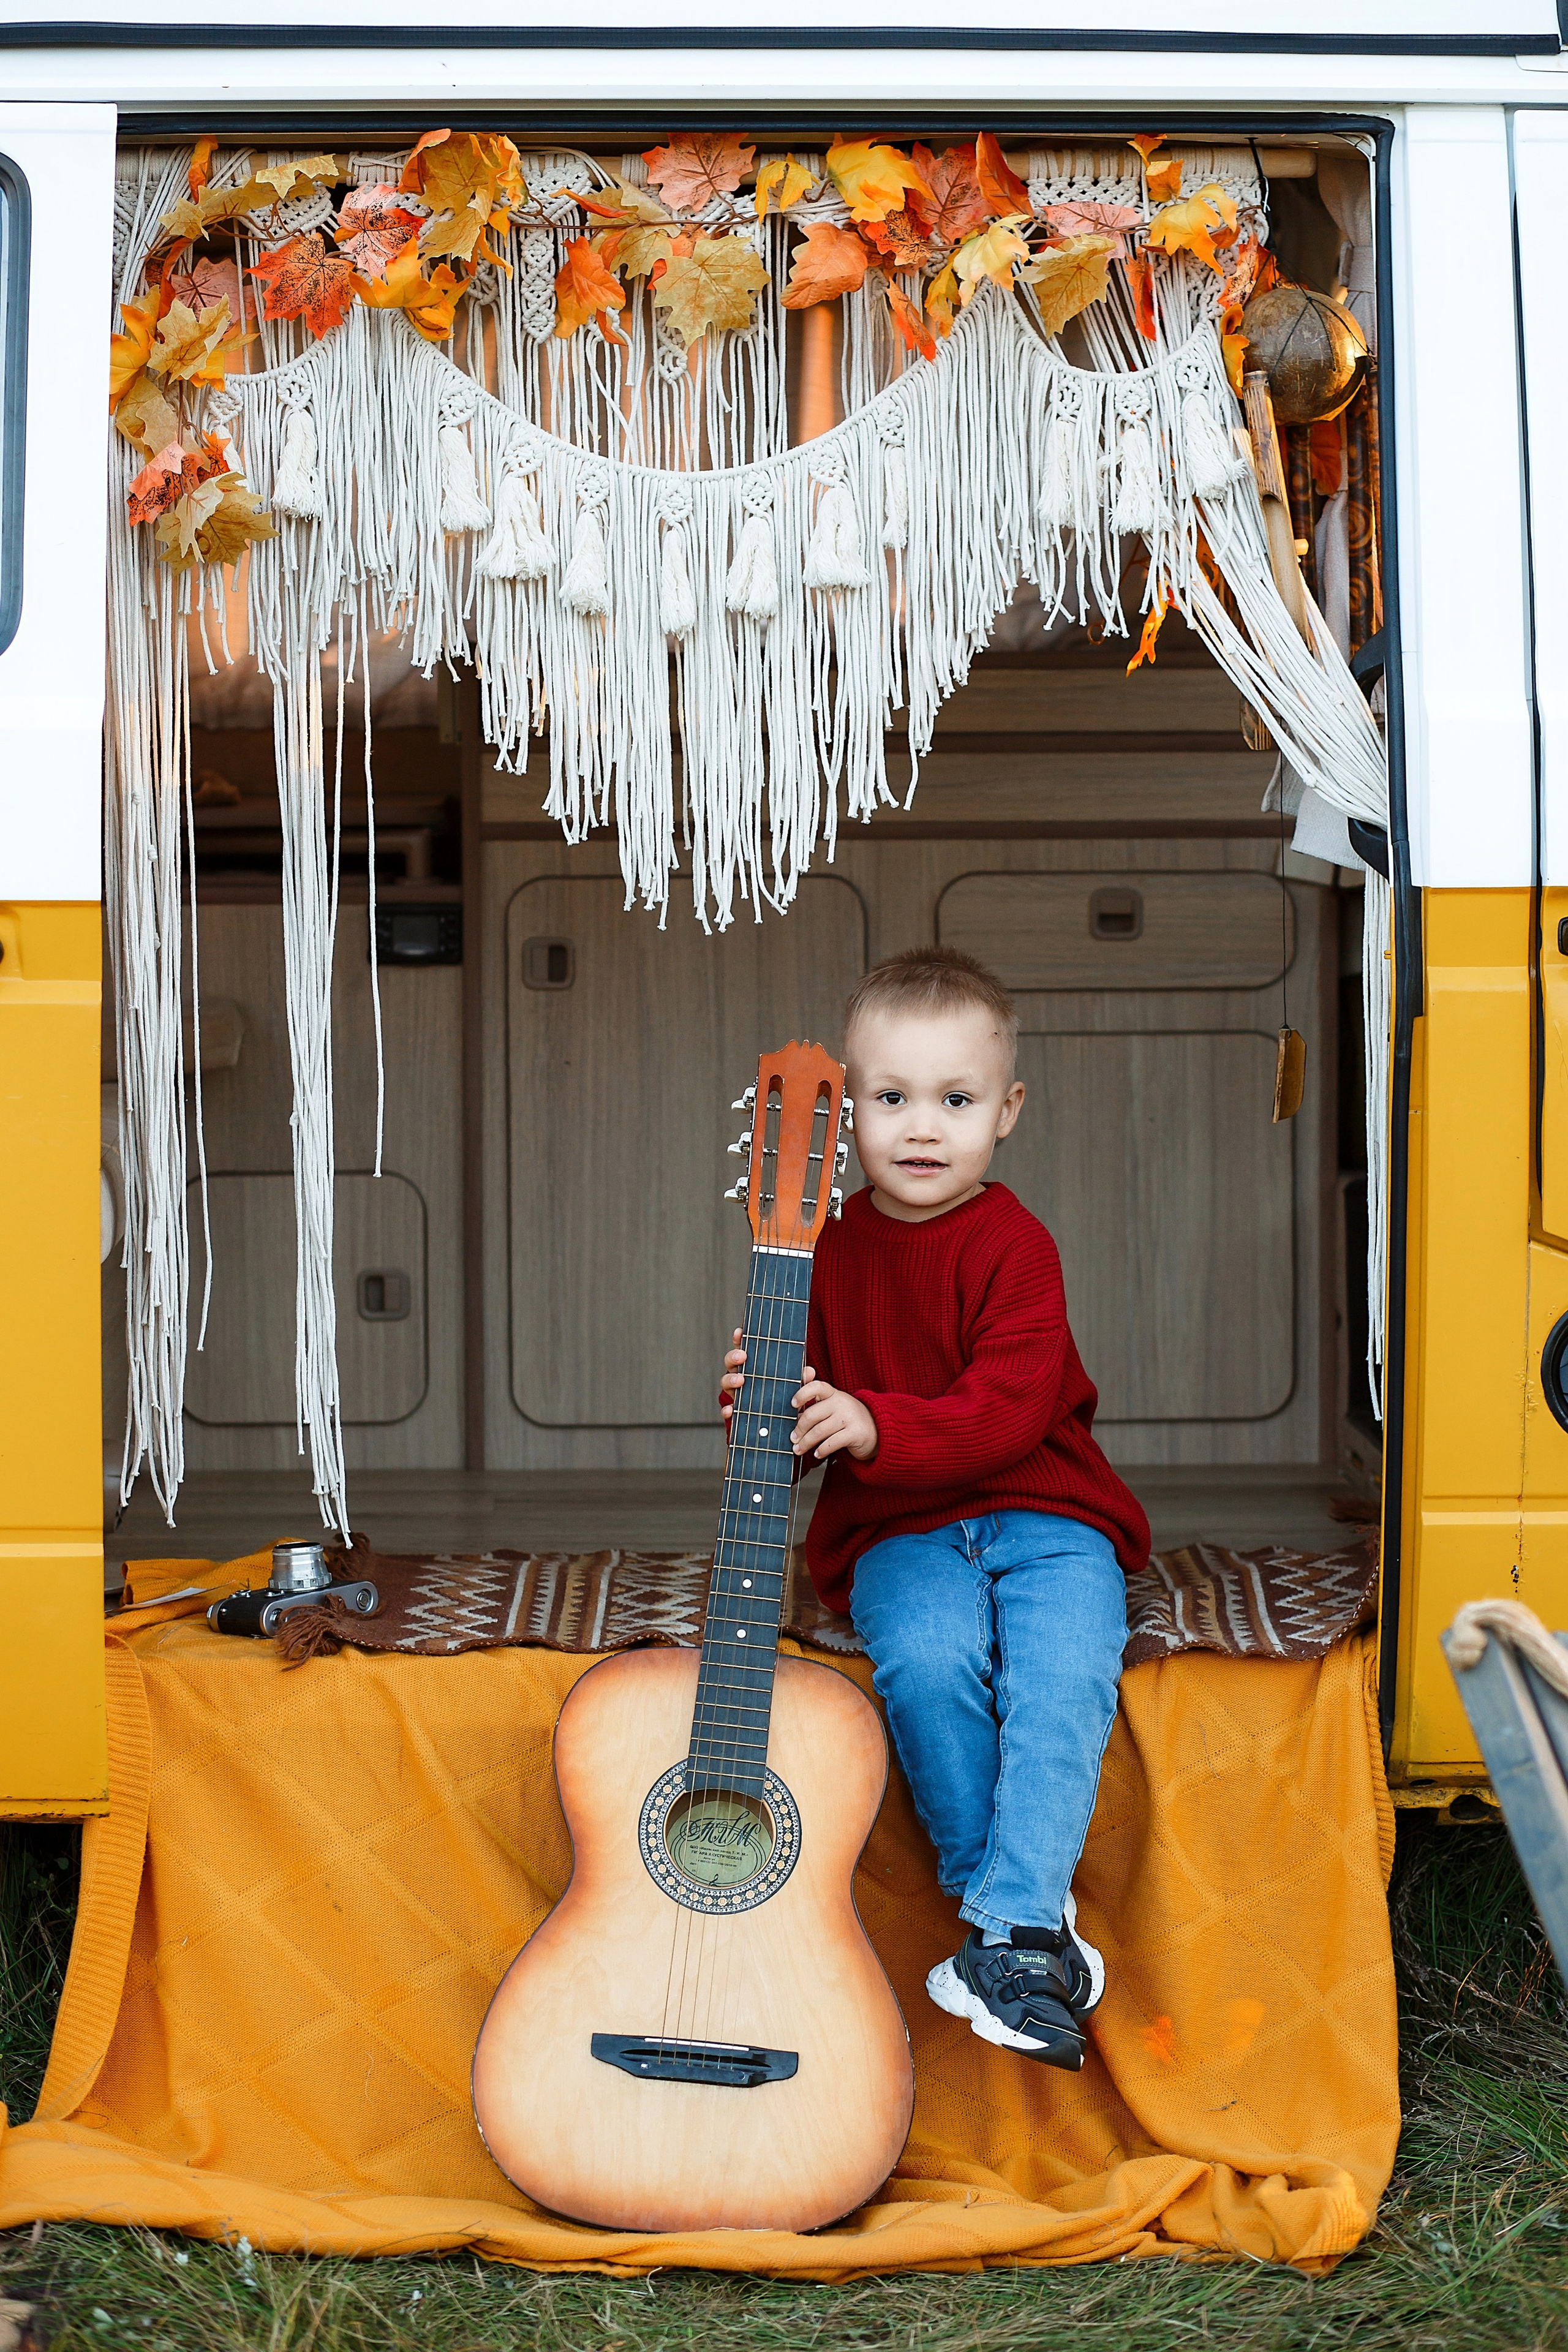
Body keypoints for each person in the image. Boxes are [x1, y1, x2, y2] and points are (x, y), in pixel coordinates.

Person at [721, 946, 1150, 2070]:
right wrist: (765, 1399)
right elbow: (805, 1432)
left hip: (1048, 1516)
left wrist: (877, 1423)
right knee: (927, 1662)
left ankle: (1009, 1924)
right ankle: (1012, 1930)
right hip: (899, 1529)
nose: (923, 1128)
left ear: (1005, 1112)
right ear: (845, 1111)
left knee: (1061, 1672)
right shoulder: (813, 1249)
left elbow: (1008, 1412)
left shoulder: (1018, 1249)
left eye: (955, 1101)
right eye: (893, 1098)